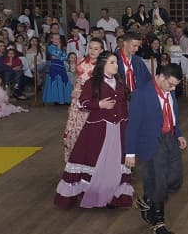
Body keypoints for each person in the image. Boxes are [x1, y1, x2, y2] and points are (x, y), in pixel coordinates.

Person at [55, 52, 133, 209]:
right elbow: (82, 103)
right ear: (103, 64)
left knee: (114, 162)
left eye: (116, 62)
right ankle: (93, 192)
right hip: (98, 129)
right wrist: (99, 104)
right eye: (112, 62)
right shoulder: (92, 83)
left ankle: (112, 196)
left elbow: (125, 103)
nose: (116, 65)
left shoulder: (119, 83)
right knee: (95, 160)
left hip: (118, 129)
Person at [126, 63, 187, 234]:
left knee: (175, 178)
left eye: (176, 85)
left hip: (170, 138)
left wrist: (179, 134)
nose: (173, 88)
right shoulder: (142, 94)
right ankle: (158, 222)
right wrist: (130, 152)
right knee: (159, 182)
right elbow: (133, 125)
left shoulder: (170, 91)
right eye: (171, 84)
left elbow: (173, 115)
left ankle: (147, 200)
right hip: (152, 143)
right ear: (160, 76)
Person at [62, 38, 103, 161]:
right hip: (78, 102)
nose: (92, 51)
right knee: (73, 130)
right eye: (91, 48)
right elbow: (76, 84)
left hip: (93, 103)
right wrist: (72, 105)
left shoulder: (103, 67)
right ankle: (75, 160)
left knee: (91, 132)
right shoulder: (80, 62)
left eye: (96, 49)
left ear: (101, 50)